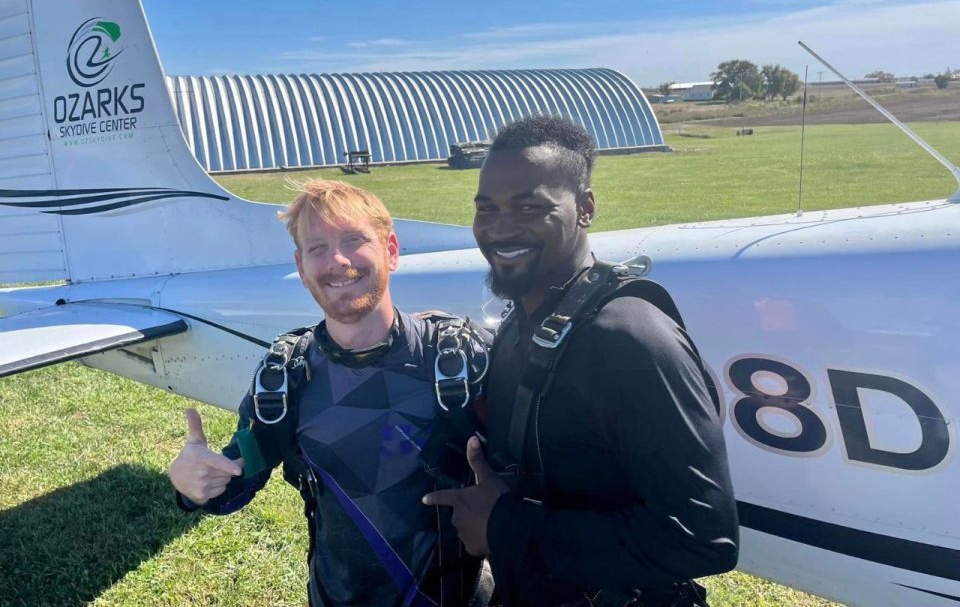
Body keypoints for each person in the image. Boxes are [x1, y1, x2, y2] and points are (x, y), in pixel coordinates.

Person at [424, 115, 739, 607]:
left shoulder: (626, 338)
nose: (500, 229)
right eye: (486, 210)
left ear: (585, 207)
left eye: (530, 207)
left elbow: (703, 538)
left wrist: (505, 524)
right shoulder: (523, 321)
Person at [169, 179, 491, 607]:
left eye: (353, 239)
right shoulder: (285, 375)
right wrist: (196, 485)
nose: (337, 260)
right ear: (301, 268)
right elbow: (237, 477)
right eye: (317, 248)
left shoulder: (456, 360)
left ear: (391, 250)